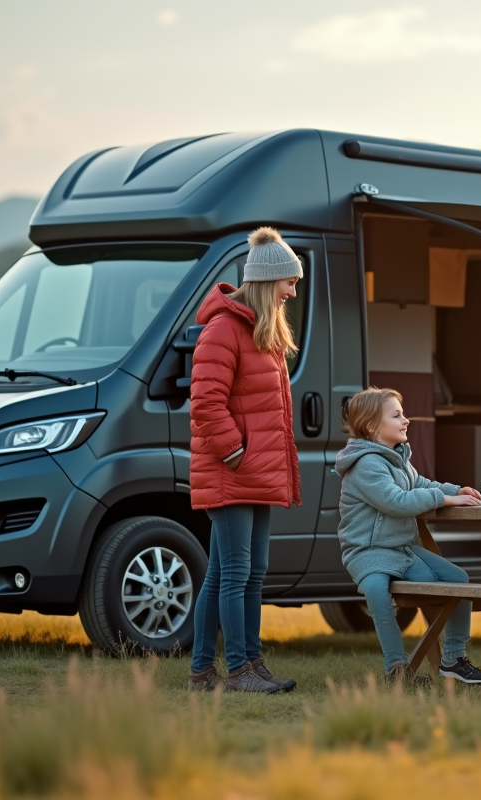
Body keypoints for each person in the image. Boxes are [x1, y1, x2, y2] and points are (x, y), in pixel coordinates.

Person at [188, 227, 303, 693]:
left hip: (254, 472)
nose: (292, 292)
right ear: (268, 279)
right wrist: (236, 453)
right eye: (289, 282)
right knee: (237, 574)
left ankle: (215, 670)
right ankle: (239, 671)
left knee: (242, 573)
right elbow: (205, 403)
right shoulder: (223, 330)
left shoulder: (263, 332)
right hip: (233, 472)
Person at [335, 387, 481, 686]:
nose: (406, 420)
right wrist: (445, 499)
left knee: (458, 581)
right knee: (377, 594)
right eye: (397, 415)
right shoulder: (366, 464)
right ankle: (397, 669)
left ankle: (454, 658)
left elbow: (419, 483)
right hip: (368, 552)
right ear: (371, 426)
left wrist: (455, 490)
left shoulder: (397, 457)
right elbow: (396, 501)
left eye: (403, 414)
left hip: (402, 549)